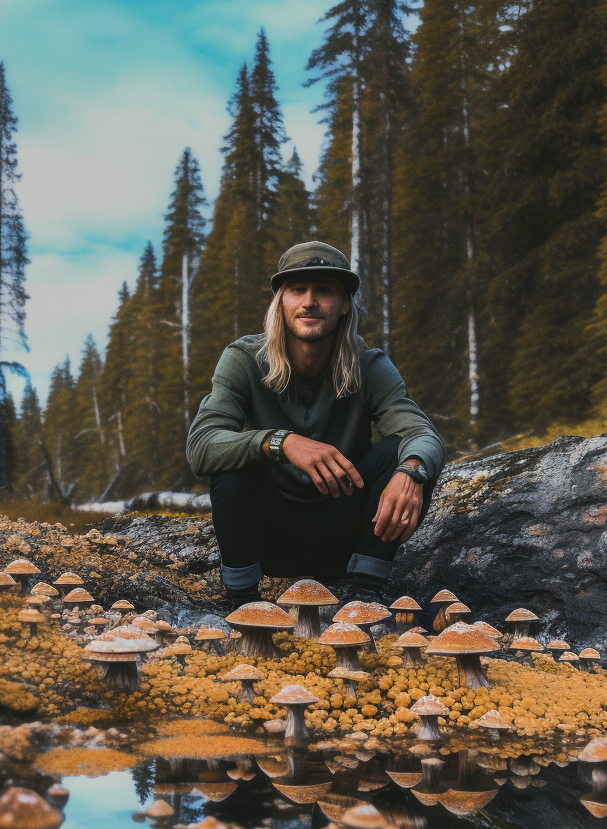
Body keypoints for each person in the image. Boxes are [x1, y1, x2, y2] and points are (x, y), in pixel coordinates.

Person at [186, 240, 445, 610]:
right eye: (297, 289)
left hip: (343, 537)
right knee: (231, 465)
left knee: (401, 454)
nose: (309, 301)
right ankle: (242, 599)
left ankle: (364, 595)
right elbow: (201, 446)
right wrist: (280, 441)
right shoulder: (243, 359)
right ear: (281, 301)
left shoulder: (369, 366)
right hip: (267, 538)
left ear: (343, 305)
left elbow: (422, 433)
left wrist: (413, 472)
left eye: (324, 290)